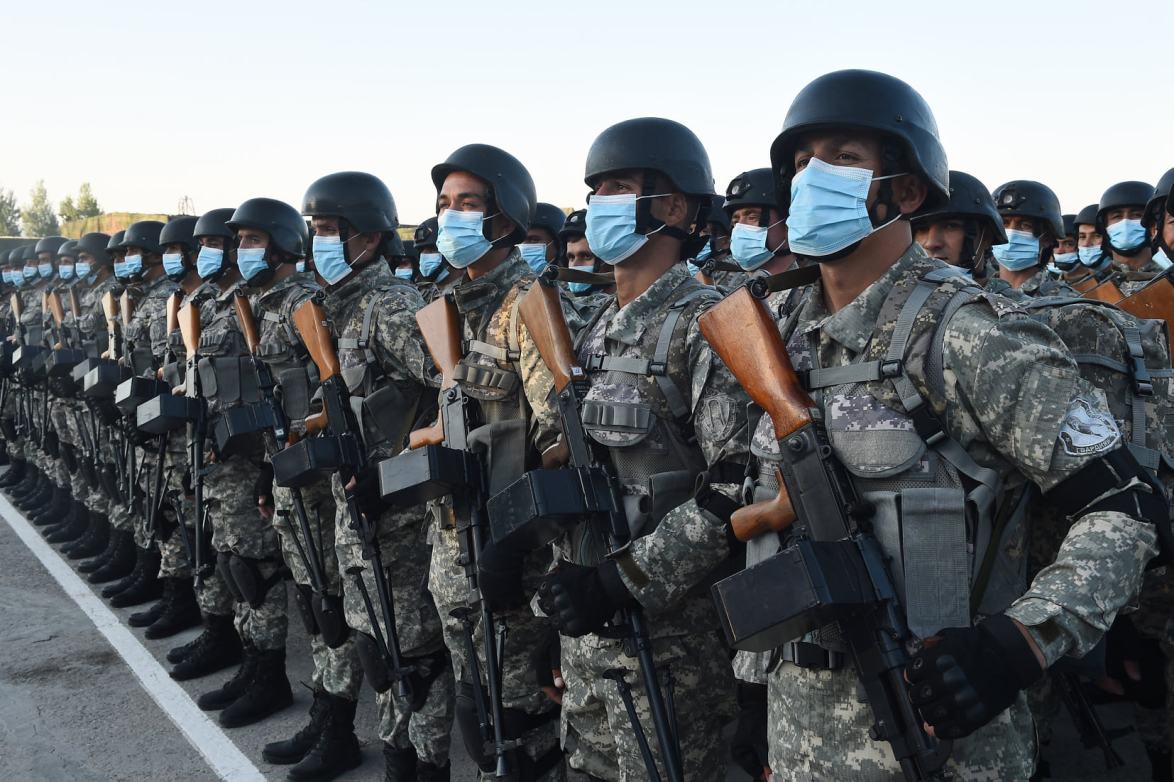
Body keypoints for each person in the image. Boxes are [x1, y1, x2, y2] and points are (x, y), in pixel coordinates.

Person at [751, 68, 1160, 780]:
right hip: (798, 732)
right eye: (802, 162)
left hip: (945, 737)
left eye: (843, 158)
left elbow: (1125, 506)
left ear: (908, 191)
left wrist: (1021, 642)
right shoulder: (775, 331)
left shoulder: (972, 333)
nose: (813, 178)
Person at [522, 117, 746, 780]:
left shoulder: (707, 325)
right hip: (587, 635)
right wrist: (556, 612)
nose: (598, 205)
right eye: (595, 191)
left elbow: (736, 486)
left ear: (672, 207)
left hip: (669, 647)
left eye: (616, 189)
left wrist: (623, 579)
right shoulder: (594, 326)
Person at [297, 170, 454, 782]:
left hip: (400, 512)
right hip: (358, 506)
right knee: (378, 648)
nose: (319, 242)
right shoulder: (341, 308)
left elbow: (455, 391)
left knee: (415, 657)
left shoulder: (390, 307)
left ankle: (425, 767)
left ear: (367, 236)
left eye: (329, 230)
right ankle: (395, 758)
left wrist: (398, 465)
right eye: (315, 231)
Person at [427, 143, 564, 780]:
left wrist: (511, 546)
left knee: (519, 721)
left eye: (467, 204)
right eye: (444, 204)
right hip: (453, 541)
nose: (449, 216)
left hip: (511, 552)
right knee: (474, 707)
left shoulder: (529, 306)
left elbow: (557, 441)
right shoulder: (446, 304)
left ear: (503, 220)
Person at [189, 198, 301, 729]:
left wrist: (268, 462)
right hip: (229, 455)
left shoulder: (297, 304)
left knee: (259, 570)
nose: (238, 251)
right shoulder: (240, 302)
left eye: (250, 240)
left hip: (267, 459)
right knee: (234, 561)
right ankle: (251, 662)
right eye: (237, 242)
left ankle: (270, 674)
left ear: (281, 245)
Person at [909, 169, 1005, 284]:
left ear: (986, 237)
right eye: (922, 229)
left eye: (950, 226)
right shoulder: (898, 293)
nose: (931, 243)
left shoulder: (1006, 297)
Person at [988, 180, 1074, 297]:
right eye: (1004, 223)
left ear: (1047, 238)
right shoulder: (973, 295)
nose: (1011, 234)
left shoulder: (1066, 301)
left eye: (1026, 225)